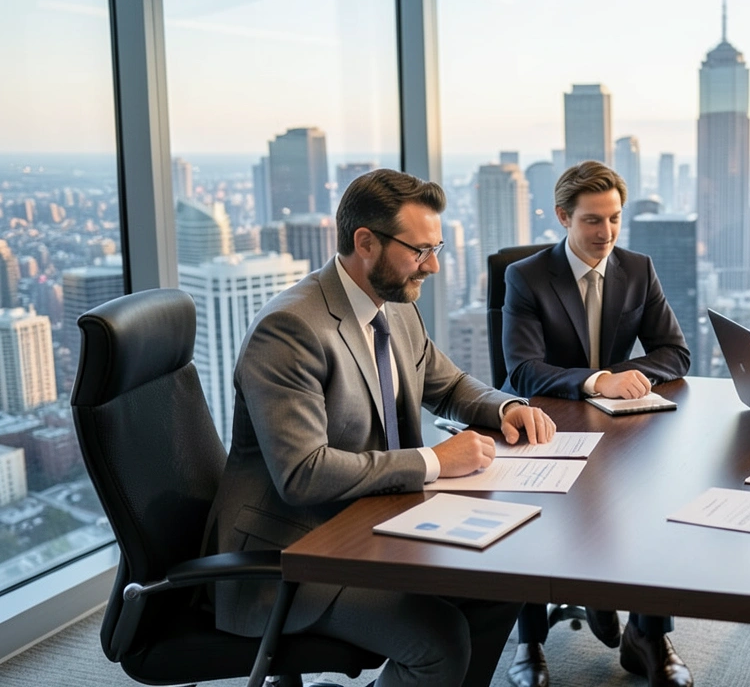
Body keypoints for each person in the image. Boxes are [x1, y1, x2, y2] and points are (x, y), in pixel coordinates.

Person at [207, 169, 557, 687]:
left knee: (503, 581)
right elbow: (302, 474)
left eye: (436, 248)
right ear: (365, 243)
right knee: (438, 642)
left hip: (378, 520)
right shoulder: (291, 330)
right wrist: (437, 461)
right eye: (420, 251)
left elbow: (448, 383)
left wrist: (505, 408)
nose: (433, 265)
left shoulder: (395, 303)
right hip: (296, 553)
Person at [501, 160, 692, 687]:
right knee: (536, 515)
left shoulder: (638, 269)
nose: (605, 233)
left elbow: (675, 352)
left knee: (653, 503)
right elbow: (521, 370)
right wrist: (595, 381)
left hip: (619, 429)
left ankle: (648, 636)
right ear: (563, 217)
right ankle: (530, 645)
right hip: (547, 424)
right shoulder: (527, 277)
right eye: (591, 220)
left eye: (613, 219)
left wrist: (623, 376)